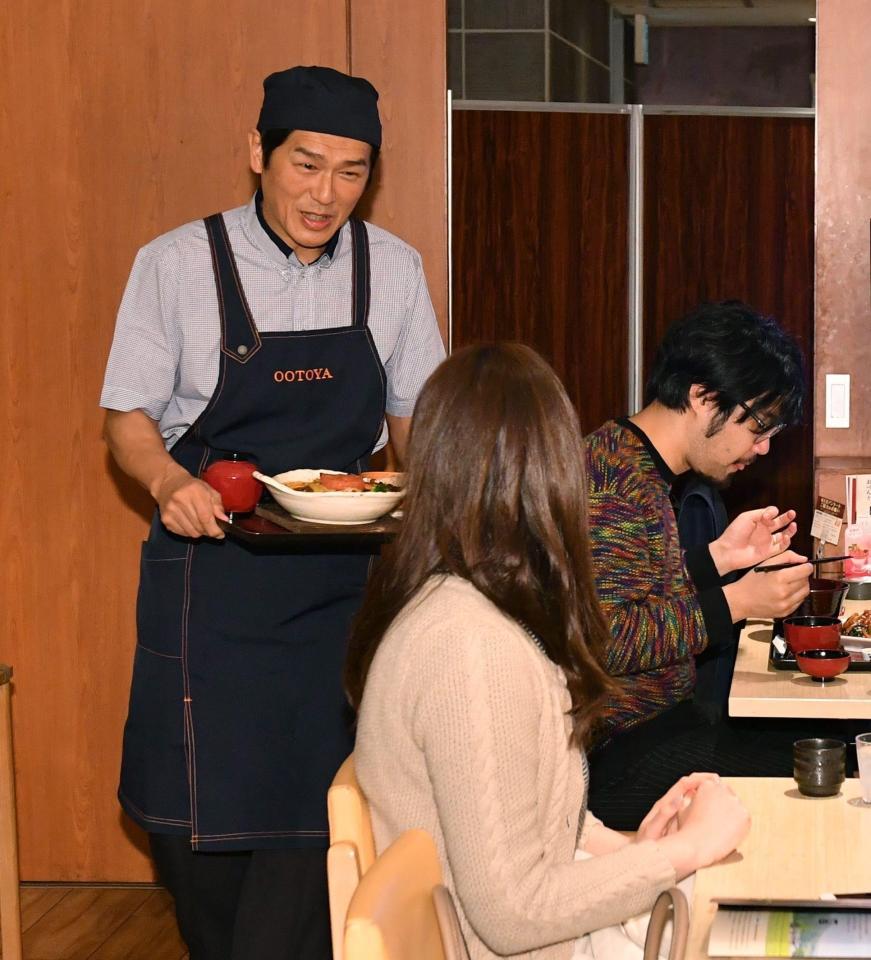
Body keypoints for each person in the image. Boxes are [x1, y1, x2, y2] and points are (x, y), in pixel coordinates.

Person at [100, 66, 444, 959]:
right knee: (192, 838)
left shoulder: (394, 271)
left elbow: (414, 424)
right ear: (258, 153)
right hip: (209, 580)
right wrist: (167, 484)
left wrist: (447, 510)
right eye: (305, 164)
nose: (324, 195)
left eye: (351, 172)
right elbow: (128, 418)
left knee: (317, 823)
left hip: (342, 589)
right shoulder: (176, 263)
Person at [348, 343, 750, 960]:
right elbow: (513, 914)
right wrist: (681, 853)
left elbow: (524, 818)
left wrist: (635, 852)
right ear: (547, 478)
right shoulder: (470, 650)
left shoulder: (473, 606)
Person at [584, 301, 822, 830]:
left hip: (662, 728)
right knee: (822, 772)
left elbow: (633, 589)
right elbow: (607, 639)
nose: (762, 447)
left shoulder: (633, 461)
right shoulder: (616, 482)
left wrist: (719, 559)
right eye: (758, 425)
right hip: (622, 753)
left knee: (825, 749)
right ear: (702, 395)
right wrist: (737, 602)